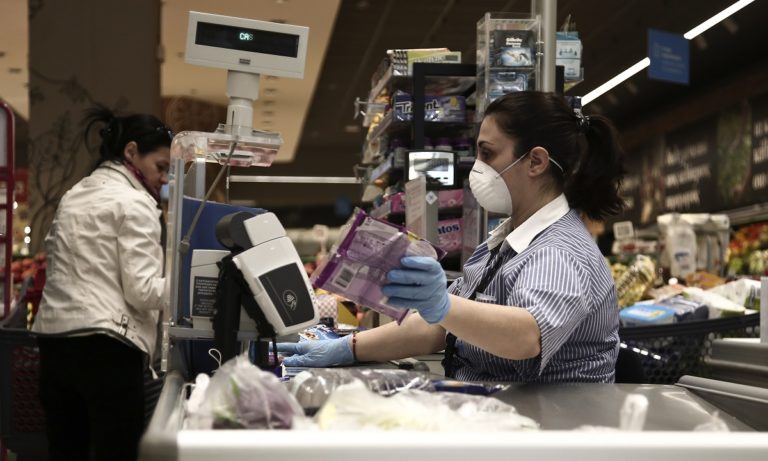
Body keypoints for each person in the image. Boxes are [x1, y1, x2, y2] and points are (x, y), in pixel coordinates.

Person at [278, 91, 625, 383]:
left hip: (551, 426)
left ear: (535, 161)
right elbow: (441, 327)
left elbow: (527, 337)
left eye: (488, 154)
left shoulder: (561, 251)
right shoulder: (502, 243)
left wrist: (441, 303)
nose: (478, 167)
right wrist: (349, 348)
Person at [32, 106, 172, 461]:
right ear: (131, 152)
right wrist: (189, 288)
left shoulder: (75, 193)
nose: (164, 179)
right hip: (107, 349)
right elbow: (142, 292)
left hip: (54, 343)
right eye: (161, 166)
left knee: (65, 452)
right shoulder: (136, 202)